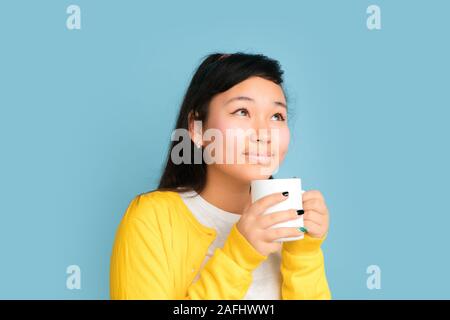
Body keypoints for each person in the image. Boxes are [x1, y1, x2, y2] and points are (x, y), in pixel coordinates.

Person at [110, 52, 331, 299]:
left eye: (277, 116)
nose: (264, 132)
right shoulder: (151, 219)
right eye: (242, 112)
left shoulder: (289, 227)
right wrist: (240, 254)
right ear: (197, 128)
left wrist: (305, 253)